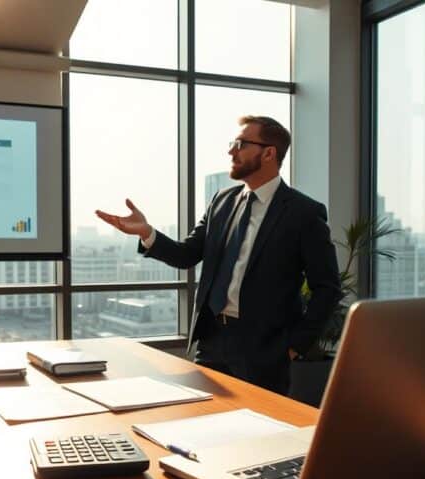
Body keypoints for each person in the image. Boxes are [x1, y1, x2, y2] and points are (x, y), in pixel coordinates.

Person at [95, 115, 341, 394]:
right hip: (212, 339)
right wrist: (147, 233)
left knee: (259, 432)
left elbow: (327, 288)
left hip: (264, 348)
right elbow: (187, 254)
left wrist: (294, 346)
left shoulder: (304, 213)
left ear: (269, 153)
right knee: (205, 427)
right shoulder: (222, 201)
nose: (231, 151)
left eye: (240, 144)